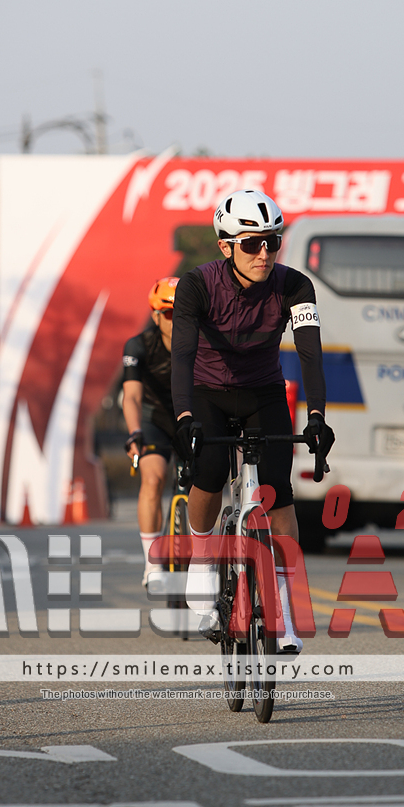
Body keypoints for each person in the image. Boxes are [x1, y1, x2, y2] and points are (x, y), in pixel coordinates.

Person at [170, 189, 332, 653]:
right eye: (251, 243)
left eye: (272, 242)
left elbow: (310, 355)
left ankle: (282, 608)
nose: (264, 253)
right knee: (209, 470)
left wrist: (317, 417)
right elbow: (182, 354)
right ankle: (203, 561)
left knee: (279, 492)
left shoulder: (295, 286)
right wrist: (184, 416)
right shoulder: (196, 285)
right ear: (226, 246)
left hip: (263, 392)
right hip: (207, 391)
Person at [121, 277, 181, 586]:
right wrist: (134, 432)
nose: (175, 319)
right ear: (156, 316)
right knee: (153, 478)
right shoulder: (139, 345)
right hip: (153, 420)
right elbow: (131, 396)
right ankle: (152, 563)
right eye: (168, 313)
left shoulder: (202, 342)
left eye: (182, 312)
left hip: (191, 419)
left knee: (203, 485)